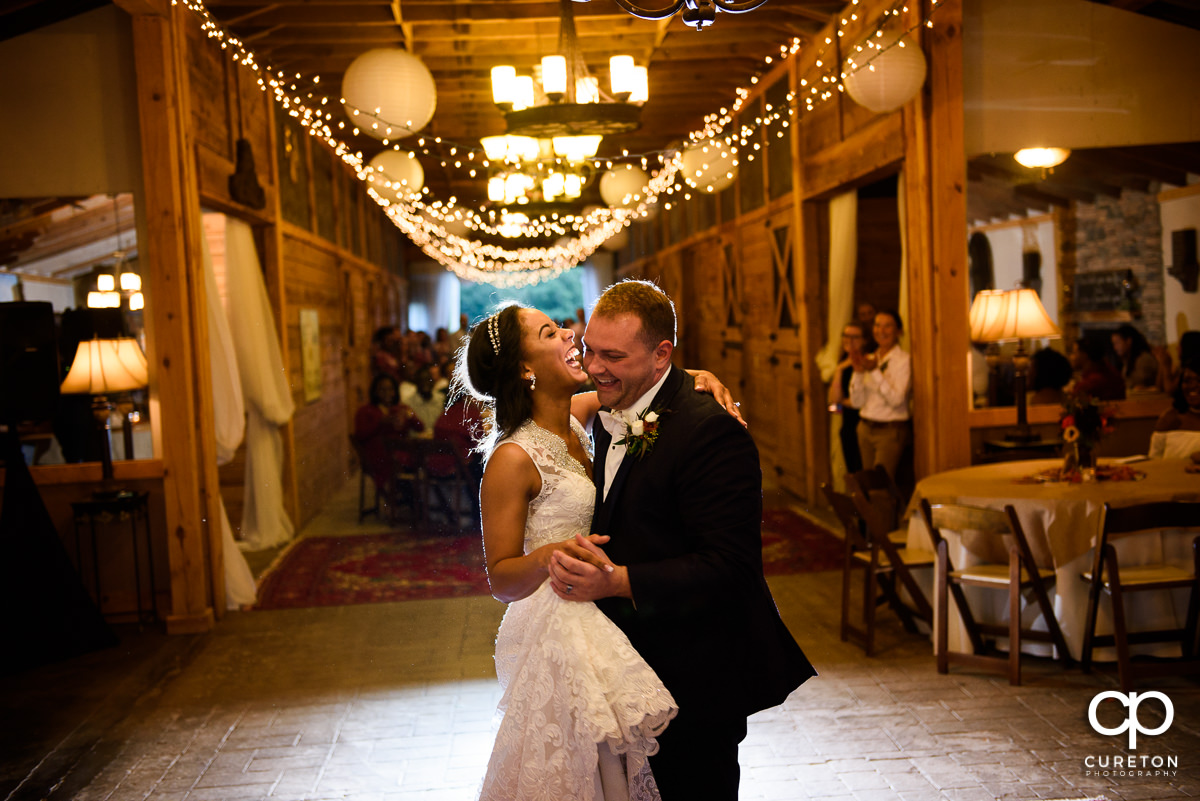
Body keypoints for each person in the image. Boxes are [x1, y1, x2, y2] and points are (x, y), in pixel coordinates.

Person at [460, 302, 744, 801]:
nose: (570, 335)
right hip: (561, 624)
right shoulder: (511, 458)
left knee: (615, 765)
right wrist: (551, 552)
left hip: (605, 607)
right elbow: (501, 579)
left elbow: (649, 381)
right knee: (586, 767)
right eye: (550, 332)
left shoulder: (578, 415)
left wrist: (700, 376)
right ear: (526, 369)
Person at [546, 280, 814, 801]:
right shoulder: (608, 407)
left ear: (661, 353)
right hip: (624, 666)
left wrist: (618, 581)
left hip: (694, 671)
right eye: (590, 351)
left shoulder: (711, 431)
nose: (595, 366)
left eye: (614, 356)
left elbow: (731, 567)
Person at [849, 309, 912, 481]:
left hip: (889, 431)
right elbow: (856, 402)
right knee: (868, 486)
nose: (881, 331)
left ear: (898, 331)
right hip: (865, 428)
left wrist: (875, 372)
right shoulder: (871, 357)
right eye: (877, 325)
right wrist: (859, 373)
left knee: (880, 487)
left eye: (887, 326)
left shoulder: (904, 360)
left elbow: (896, 400)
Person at [353, 374, 423, 492]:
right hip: (380, 456)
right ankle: (405, 498)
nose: (387, 393)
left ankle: (410, 498)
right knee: (402, 465)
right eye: (382, 389)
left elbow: (420, 427)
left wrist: (409, 416)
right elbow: (360, 435)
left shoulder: (401, 408)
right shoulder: (366, 411)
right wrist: (380, 423)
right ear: (375, 392)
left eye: (390, 389)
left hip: (401, 453)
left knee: (419, 460)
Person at [828, 320, 868, 473]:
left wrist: (841, 402)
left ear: (864, 340)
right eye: (846, 336)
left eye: (855, 337)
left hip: (861, 424)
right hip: (847, 426)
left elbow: (860, 402)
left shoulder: (865, 362)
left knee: (862, 471)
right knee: (853, 472)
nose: (849, 341)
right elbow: (833, 402)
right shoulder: (843, 363)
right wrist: (839, 369)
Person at [1149, 359, 1200, 459]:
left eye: (1199, 381)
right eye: (1187, 381)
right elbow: (1154, 460)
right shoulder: (1169, 419)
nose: (1193, 386)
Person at [1069, 335, 1125, 401]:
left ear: (1084, 355)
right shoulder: (1109, 370)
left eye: (1074, 353)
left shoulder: (1091, 383)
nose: (1071, 357)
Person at [1111, 324, 1158, 391]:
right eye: (1114, 344)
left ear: (1129, 341)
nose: (1115, 348)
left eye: (1117, 343)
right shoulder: (1127, 361)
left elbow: (1139, 385)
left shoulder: (1144, 360)